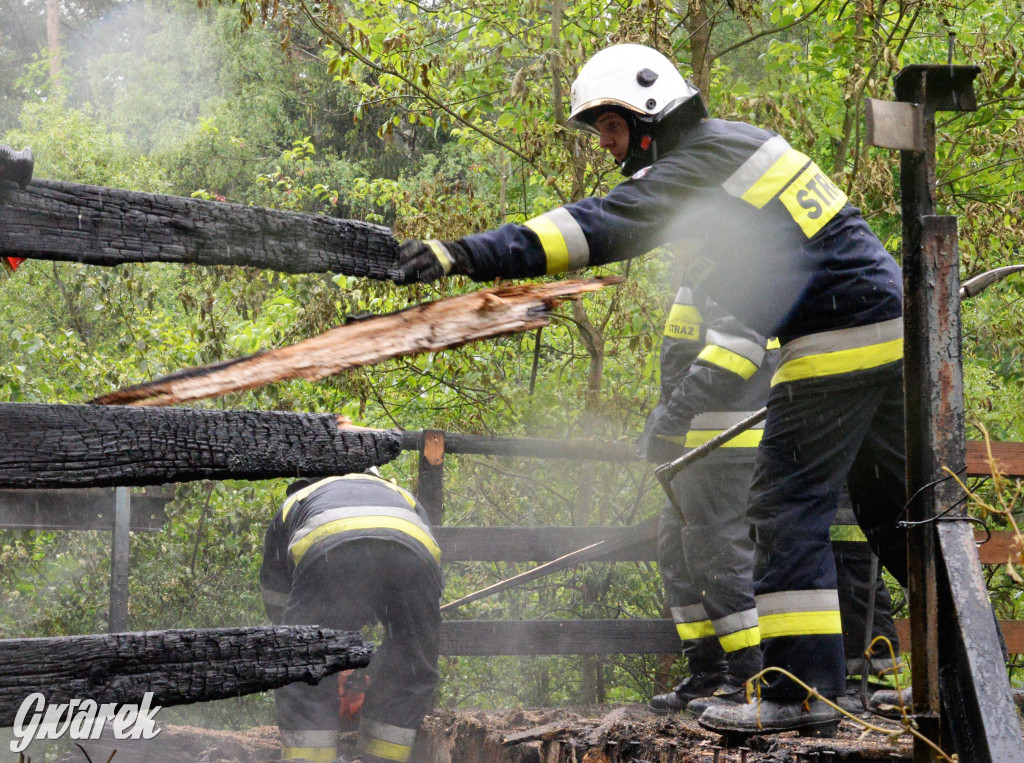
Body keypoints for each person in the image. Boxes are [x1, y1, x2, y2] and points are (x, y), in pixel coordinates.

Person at [397, 43, 908, 737]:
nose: (608, 147)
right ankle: (961, 666)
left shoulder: (699, 164)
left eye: (610, 128)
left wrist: (464, 253)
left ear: (649, 109)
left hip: (835, 332)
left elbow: (597, 227)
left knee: (785, 503)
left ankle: (801, 691)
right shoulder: (737, 148)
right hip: (893, 325)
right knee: (897, 508)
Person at [641, 283, 779, 714]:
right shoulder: (697, 272)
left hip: (726, 446)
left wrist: (670, 418)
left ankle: (749, 678)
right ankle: (708, 673)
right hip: (693, 452)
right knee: (677, 556)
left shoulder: (727, 261)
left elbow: (737, 349)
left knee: (719, 559)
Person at [260, 469, 443, 762]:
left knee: (303, 664)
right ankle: (382, 759)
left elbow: (280, 605)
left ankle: (309, 758)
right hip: (412, 556)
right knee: (410, 663)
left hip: (330, 555)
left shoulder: (299, 499)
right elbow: (427, 593)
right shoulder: (402, 496)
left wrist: (318, 657)